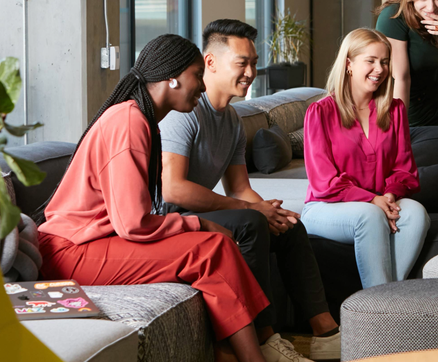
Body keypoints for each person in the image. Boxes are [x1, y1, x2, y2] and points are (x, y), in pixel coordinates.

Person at [36, 35, 269, 362]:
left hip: (93, 243)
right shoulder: (128, 121)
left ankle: (234, 350)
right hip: (70, 252)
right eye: (197, 75)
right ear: (172, 78)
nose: (203, 86)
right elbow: (133, 223)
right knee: (211, 249)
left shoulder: (141, 120)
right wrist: (198, 223)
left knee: (217, 247)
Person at [159, 19, 340, 362]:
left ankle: (326, 332)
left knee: (287, 225)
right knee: (252, 222)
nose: (251, 72)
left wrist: (272, 211)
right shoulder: (185, 113)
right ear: (211, 62)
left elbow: (240, 188)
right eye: (242, 63)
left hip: (200, 212)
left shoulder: (231, 120)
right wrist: (253, 211)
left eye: (254, 63)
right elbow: (174, 189)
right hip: (169, 220)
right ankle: (264, 338)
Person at [301, 28, 429, 289]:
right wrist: (372, 200)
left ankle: (385, 297)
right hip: (325, 207)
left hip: (380, 201)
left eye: (384, 61)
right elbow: (324, 182)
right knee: (370, 216)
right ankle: (381, 304)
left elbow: (404, 169)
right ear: (349, 64)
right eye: (370, 60)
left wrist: (389, 196)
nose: (379, 69)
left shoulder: (395, 110)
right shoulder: (320, 112)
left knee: (417, 213)